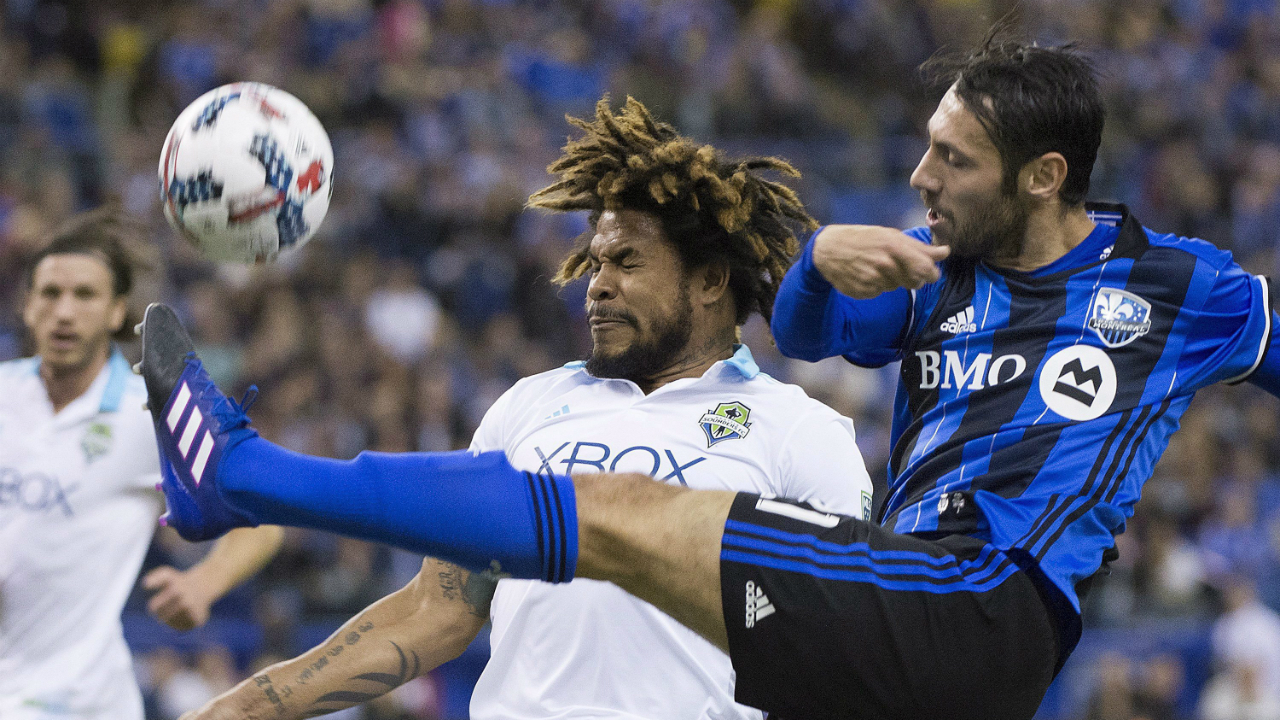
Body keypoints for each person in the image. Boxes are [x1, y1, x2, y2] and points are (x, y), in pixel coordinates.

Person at [138, 34, 1280, 720]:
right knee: (613, 519)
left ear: (1041, 175)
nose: (920, 173)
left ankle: (241, 472)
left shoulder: (1180, 289)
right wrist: (823, 266)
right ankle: (237, 473)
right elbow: (811, 323)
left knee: (622, 515)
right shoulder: (939, 277)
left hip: (979, 592)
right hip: (910, 597)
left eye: (950, 156)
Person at [170, 97, 874, 720]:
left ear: (711, 280)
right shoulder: (533, 404)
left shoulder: (799, 433)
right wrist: (254, 703)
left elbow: (844, 650)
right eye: (595, 263)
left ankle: (247, 477)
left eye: (626, 264)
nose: (596, 287)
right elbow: (438, 608)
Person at [0, 209, 284, 720]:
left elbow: (264, 517)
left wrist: (205, 581)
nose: (64, 311)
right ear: (26, 306)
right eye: (50, 293)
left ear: (115, 312)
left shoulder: (151, 416)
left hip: (76, 701)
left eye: (84, 295)